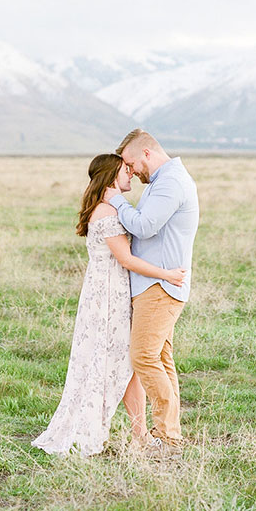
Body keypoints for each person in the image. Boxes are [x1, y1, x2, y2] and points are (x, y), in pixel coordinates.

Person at [31, 153, 187, 456]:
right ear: (111, 176)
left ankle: (140, 434)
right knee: (117, 362)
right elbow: (126, 259)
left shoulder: (104, 208)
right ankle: (136, 433)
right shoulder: (106, 213)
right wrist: (167, 274)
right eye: (124, 170)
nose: (130, 174)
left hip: (109, 289)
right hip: (108, 296)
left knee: (126, 365)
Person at [104, 129, 199, 454]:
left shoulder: (170, 182)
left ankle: (165, 435)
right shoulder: (163, 182)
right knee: (160, 357)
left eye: (131, 163)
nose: (130, 171)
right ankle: (170, 434)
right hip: (158, 284)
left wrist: (115, 199)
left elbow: (145, 226)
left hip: (160, 285)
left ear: (146, 153)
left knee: (143, 357)